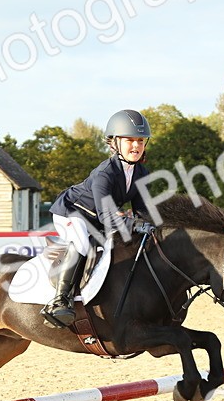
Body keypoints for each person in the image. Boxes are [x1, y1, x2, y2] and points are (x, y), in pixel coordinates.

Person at [41, 109, 153, 328]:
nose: (136, 146)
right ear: (114, 143)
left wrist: (154, 225)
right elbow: (105, 215)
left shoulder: (141, 172)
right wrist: (134, 224)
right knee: (82, 242)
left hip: (97, 220)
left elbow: (143, 210)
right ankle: (59, 300)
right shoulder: (105, 172)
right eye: (129, 140)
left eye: (140, 140)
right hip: (71, 213)